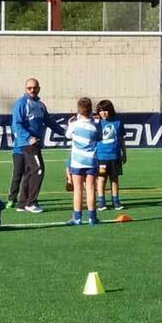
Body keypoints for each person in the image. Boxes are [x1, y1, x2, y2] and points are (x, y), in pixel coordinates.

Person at [10, 77, 66, 213]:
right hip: (27, 143)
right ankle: (31, 202)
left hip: (35, 143)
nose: (32, 90)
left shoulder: (40, 105)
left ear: (39, 88)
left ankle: (22, 203)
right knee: (38, 169)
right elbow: (16, 124)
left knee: (29, 172)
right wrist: (29, 137)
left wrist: (66, 132)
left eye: (35, 88)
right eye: (29, 88)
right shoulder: (21, 103)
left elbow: (50, 122)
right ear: (25, 89)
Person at [65, 97, 101, 226]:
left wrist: (70, 124)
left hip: (77, 162)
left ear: (78, 110)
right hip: (91, 160)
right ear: (91, 110)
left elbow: (68, 136)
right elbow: (100, 137)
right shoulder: (94, 126)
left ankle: (77, 217)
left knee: (78, 190)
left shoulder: (74, 125)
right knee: (91, 189)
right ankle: (92, 217)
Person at [94, 99, 127, 210]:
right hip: (101, 156)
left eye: (105, 110)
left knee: (114, 179)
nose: (103, 113)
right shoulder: (97, 123)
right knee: (101, 179)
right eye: (101, 111)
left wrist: (124, 153)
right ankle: (101, 202)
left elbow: (122, 139)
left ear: (110, 110)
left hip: (115, 156)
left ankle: (116, 201)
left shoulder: (118, 122)